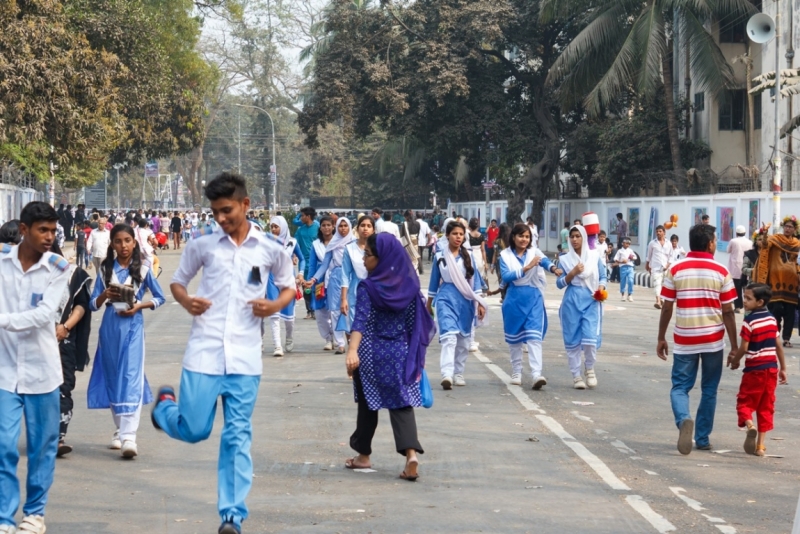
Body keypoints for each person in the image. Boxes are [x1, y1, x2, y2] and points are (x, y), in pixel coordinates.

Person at [151, 173, 295, 534]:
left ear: (246, 205)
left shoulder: (271, 249)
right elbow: (177, 280)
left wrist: (273, 304)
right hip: (204, 353)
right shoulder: (203, 245)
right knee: (195, 429)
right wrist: (186, 301)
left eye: (227, 210)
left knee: (237, 434)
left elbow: (290, 288)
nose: (220, 218)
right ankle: (165, 409)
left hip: (245, 360)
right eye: (215, 212)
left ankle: (232, 515)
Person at [0, 202, 71, 534]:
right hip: (4, 371)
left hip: (42, 372)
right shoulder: (1, 262)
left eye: (54, 230)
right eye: (43, 230)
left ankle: (34, 513)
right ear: (24, 230)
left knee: (42, 447)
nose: (50, 237)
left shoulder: (58, 267)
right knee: (3, 446)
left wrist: (2, 321)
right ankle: (3, 516)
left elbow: (44, 315)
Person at [344, 233, 434, 480]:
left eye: (368, 255)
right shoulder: (410, 288)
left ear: (382, 258)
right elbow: (415, 324)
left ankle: (363, 455)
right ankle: (411, 455)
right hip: (400, 353)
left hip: (371, 354)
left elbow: (359, 321)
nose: (363, 259)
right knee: (402, 403)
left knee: (367, 403)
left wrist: (352, 351)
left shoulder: (368, 287)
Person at [657, 224, 738, 455]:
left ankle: (684, 420)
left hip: (685, 339)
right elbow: (729, 311)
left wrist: (661, 337)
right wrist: (734, 346)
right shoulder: (721, 271)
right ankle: (702, 438)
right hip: (713, 340)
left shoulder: (676, 269)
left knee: (680, 388)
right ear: (710, 243)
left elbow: (666, 308)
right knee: (709, 389)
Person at [86, 224, 165, 458]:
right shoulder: (104, 270)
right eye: (118, 241)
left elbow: (160, 298)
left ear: (134, 242)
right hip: (110, 328)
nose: (123, 246)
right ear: (112, 244)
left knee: (130, 376)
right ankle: (120, 429)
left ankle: (130, 436)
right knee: (113, 377)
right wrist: (104, 295)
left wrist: (140, 305)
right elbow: (92, 304)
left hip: (133, 327)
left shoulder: (143, 269)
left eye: (128, 241)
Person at [728, 283, 788, 457]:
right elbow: (778, 346)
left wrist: (735, 361)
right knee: (766, 406)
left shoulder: (749, 321)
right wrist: (783, 368)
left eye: (748, 298)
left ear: (760, 301)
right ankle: (760, 446)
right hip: (771, 369)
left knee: (744, 402)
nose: (744, 301)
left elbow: (744, 347)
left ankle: (750, 425)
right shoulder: (771, 320)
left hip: (754, 370)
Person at [499, 223, 562, 389]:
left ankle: (536, 374)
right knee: (515, 340)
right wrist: (526, 267)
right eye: (521, 236)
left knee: (534, 338)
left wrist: (554, 269)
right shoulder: (504, 256)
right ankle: (516, 371)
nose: (524, 239)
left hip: (533, 299)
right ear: (514, 237)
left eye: (527, 237)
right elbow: (506, 277)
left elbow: (545, 262)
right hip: (513, 300)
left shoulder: (534, 252)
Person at [427, 220, 487, 389]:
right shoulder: (440, 257)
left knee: (463, 341)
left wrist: (480, 303)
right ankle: (447, 374)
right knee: (449, 337)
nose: (458, 237)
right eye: (455, 234)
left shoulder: (468, 256)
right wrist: (429, 304)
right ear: (447, 235)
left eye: (461, 234)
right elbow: (433, 283)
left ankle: (458, 372)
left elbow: (475, 283)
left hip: (465, 301)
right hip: (445, 299)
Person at [50, 241, 92, 458]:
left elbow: (81, 305)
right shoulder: (24, 275)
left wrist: (65, 326)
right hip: (32, 343)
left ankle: (59, 438)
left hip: (63, 339)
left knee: (63, 387)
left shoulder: (72, 274)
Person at [557, 224, 607, 389]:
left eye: (578, 236)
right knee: (572, 340)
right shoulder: (564, 259)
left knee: (590, 339)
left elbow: (603, 276)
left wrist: (601, 289)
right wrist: (572, 273)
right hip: (572, 301)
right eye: (572, 237)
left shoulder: (593, 256)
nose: (575, 239)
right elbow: (559, 283)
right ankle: (576, 375)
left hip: (591, 300)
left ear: (584, 237)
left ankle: (590, 368)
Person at [306, 217, 355, 354]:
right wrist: (313, 279)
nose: (343, 228)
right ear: (337, 227)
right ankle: (340, 343)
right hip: (335, 278)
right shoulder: (332, 244)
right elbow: (325, 265)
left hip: (351, 278)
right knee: (335, 311)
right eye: (341, 226)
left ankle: (352, 340)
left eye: (345, 226)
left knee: (350, 310)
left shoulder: (355, 243)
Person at [752, 216, 800, 348]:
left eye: (790, 227)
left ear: (795, 229)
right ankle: (775, 335)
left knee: (790, 312)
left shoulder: (797, 244)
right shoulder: (775, 239)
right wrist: (765, 234)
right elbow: (765, 246)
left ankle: (786, 338)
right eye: (786, 226)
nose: (787, 229)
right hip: (775, 280)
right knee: (776, 309)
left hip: (792, 282)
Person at [266, 215, 305, 357]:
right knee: (274, 315)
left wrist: (300, 274)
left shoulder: (292, 242)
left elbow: (302, 259)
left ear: (283, 227)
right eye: (272, 227)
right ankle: (277, 346)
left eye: (276, 227)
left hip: (288, 282)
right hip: (271, 281)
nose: (274, 230)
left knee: (289, 319)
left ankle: (289, 337)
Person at [341, 216, 375, 338]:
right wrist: (343, 299)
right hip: (356, 288)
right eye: (362, 225)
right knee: (355, 321)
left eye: (369, 226)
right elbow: (345, 274)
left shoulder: (378, 247)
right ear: (357, 228)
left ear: (373, 230)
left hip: (374, 288)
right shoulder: (349, 248)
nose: (365, 229)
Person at [308, 216, 335, 350]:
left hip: (335, 280)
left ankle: (337, 336)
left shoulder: (338, 243)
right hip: (319, 282)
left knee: (334, 310)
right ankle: (328, 338)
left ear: (333, 226)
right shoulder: (316, 245)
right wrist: (310, 281)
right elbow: (312, 265)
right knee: (320, 311)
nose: (326, 228)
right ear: (320, 227)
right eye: (323, 225)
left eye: (329, 225)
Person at [293, 207, 320, 320]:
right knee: (306, 287)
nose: (301, 217)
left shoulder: (318, 227)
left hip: (317, 262)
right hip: (304, 263)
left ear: (308, 216)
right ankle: (310, 311)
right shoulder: (300, 230)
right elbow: (294, 244)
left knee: (317, 286)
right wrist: (294, 256)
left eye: (302, 215)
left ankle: (318, 309)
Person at [727, 225, 753, 314]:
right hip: (746, 267)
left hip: (735, 267)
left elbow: (728, 250)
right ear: (745, 233)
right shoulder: (749, 242)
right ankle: (748, 305)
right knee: (746, 288)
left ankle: (737, 307)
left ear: (736, 233)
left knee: (737, 288)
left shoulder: (733, 241)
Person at [646, 225, 671, 310]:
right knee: (657, 284)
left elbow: (671, 256)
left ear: (664, 232)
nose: (658, 233)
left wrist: (667, 265)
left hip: (666, 268)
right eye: (657, 231)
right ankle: (658, 301)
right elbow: (649, 256)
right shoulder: (652, 243)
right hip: (655, 268)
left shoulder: (669, 243)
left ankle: (662, 299)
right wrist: (647, 265)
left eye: (660, 231)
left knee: (664, 285)